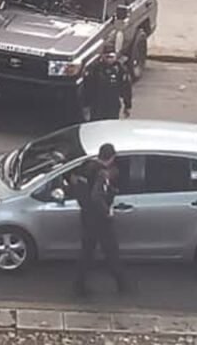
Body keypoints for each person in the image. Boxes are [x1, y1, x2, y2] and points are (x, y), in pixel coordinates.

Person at [67, 144, 130, 296]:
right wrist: (107, 212)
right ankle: (123, 285)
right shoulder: (101, 173)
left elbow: (75, 184)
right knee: (111, 251)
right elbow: (97, 196)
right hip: (99, 219)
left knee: (87, 252)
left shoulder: (85, 168)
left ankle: (79, 285)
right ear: (112, 157)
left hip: (87, 215)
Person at [88, 45, 133, 121]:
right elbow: (88, 88)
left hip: (113, 105)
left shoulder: (120, 69)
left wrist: (127, 106)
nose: (109, 59)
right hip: (97, 105)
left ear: (115, 57)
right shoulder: (95, 68)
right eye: (107, 57)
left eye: (111, 57)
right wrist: (86, 105)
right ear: (102, 56)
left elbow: (126, 89)